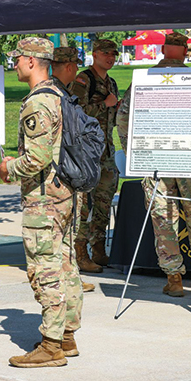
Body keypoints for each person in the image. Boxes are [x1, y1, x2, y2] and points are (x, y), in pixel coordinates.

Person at [115, 32, 191, 297]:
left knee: (164, 218)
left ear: (164, 49)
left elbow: (123, 118)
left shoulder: (144, 80)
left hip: (156, 158)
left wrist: (133, 154)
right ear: (186, 50)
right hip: (190, 158)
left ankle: (174, 277)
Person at [0, 38, 83, 368]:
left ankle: (51, 346)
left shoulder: (37, 103)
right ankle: (67, 336)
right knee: (65, 265)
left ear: (32, 61)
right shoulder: (60, 94)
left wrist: (8, 167)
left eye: (18, 59)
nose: (15, 64)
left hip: (43, 200)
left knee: (44, 270)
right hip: (63, 194)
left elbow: (36, 158)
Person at [69, 39, 120, 273]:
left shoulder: (112, 82)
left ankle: (98, 247)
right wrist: (106, 105)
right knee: (84, 205)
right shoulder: (84, 80)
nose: (110, 57)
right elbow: (75, 112)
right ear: (95, 54)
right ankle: (80, 252)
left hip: (106, 151)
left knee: (104, 200)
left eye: (114, 54)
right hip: (86, 153)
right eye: (105, 53)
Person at [51, 46, 95, 293]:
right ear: (69, 67)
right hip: (64, 173)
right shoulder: (57, 94)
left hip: (69, 170)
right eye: (75, 65)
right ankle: (65, 279)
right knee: (66, 230)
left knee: (70, 229)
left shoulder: (61, 91)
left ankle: (71, 276)